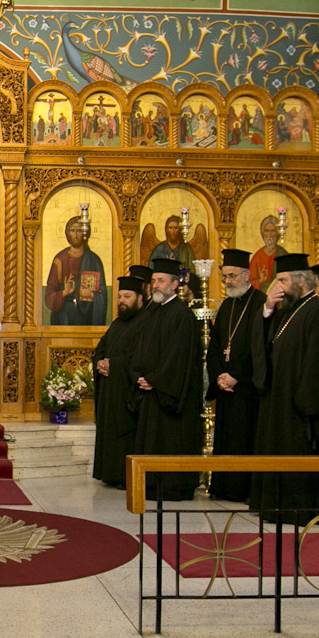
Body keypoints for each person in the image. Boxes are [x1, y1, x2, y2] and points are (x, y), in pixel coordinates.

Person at [250, 253, 319, 525]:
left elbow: (316, 364)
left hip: (300, 407)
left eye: (283, 280)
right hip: (280, 400)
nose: (278, 287)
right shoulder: (287, 310)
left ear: (301, 280)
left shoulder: (318, 312)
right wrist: (266, 311)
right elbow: (266, 345)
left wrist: (305, 404)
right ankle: (278, 508)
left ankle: (299, 511)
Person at [128, 259, 204, 501]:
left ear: (174, 284)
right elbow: (141, 349)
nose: (156, 286)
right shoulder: (153, 312)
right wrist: (138, 375)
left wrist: (155, 380)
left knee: (171, 441)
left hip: (170, 396)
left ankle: (172, 487)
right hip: (152, 392)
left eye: (161, 281)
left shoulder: (182, 315)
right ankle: (150, 485)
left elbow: (178, 358)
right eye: (153, 281)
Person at [206, 250, 266, 503]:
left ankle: (243, 490)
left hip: (248, 390)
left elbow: (261, 349)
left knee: (246, 439)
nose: (228, 281)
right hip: (227, 388)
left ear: (247, 275)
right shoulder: (227, 305)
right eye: (224, 277)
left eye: (232, 276)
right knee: (227, 439)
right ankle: (224, 487)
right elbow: (217, 344)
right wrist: (219, 375)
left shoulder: (261, 303)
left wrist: (237, 377)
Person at [92, 275, 148, 489]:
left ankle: (124, 476)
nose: (122, 301)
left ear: (140, 299)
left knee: (125, 431)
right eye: (119, 297)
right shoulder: (117, 323)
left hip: (126, 390)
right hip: (110, 388)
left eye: (127, 296)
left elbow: (140, 356)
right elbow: (102, 347)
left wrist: (112, 364)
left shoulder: (144, 322)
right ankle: (110, 473)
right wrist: (99, 362)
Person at [44, 215, 107, 325]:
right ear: (67, 233)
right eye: (72, 231)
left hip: (86, 316)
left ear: (85, 233)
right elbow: (49, 297)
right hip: (63, 317)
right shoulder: (59, 260)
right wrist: (64, 292)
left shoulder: (94, 260)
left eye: (79, 231)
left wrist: (91, 295)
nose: (76, 235)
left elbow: (103, 294)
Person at [249, 216, 286, 290]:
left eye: (272, 231)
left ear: (277, 233)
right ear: (262, 233)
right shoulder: (257, 256)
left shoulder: (283, 254)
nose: (269, 235)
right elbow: (249, 281)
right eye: (266, 231)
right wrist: (260, 281)